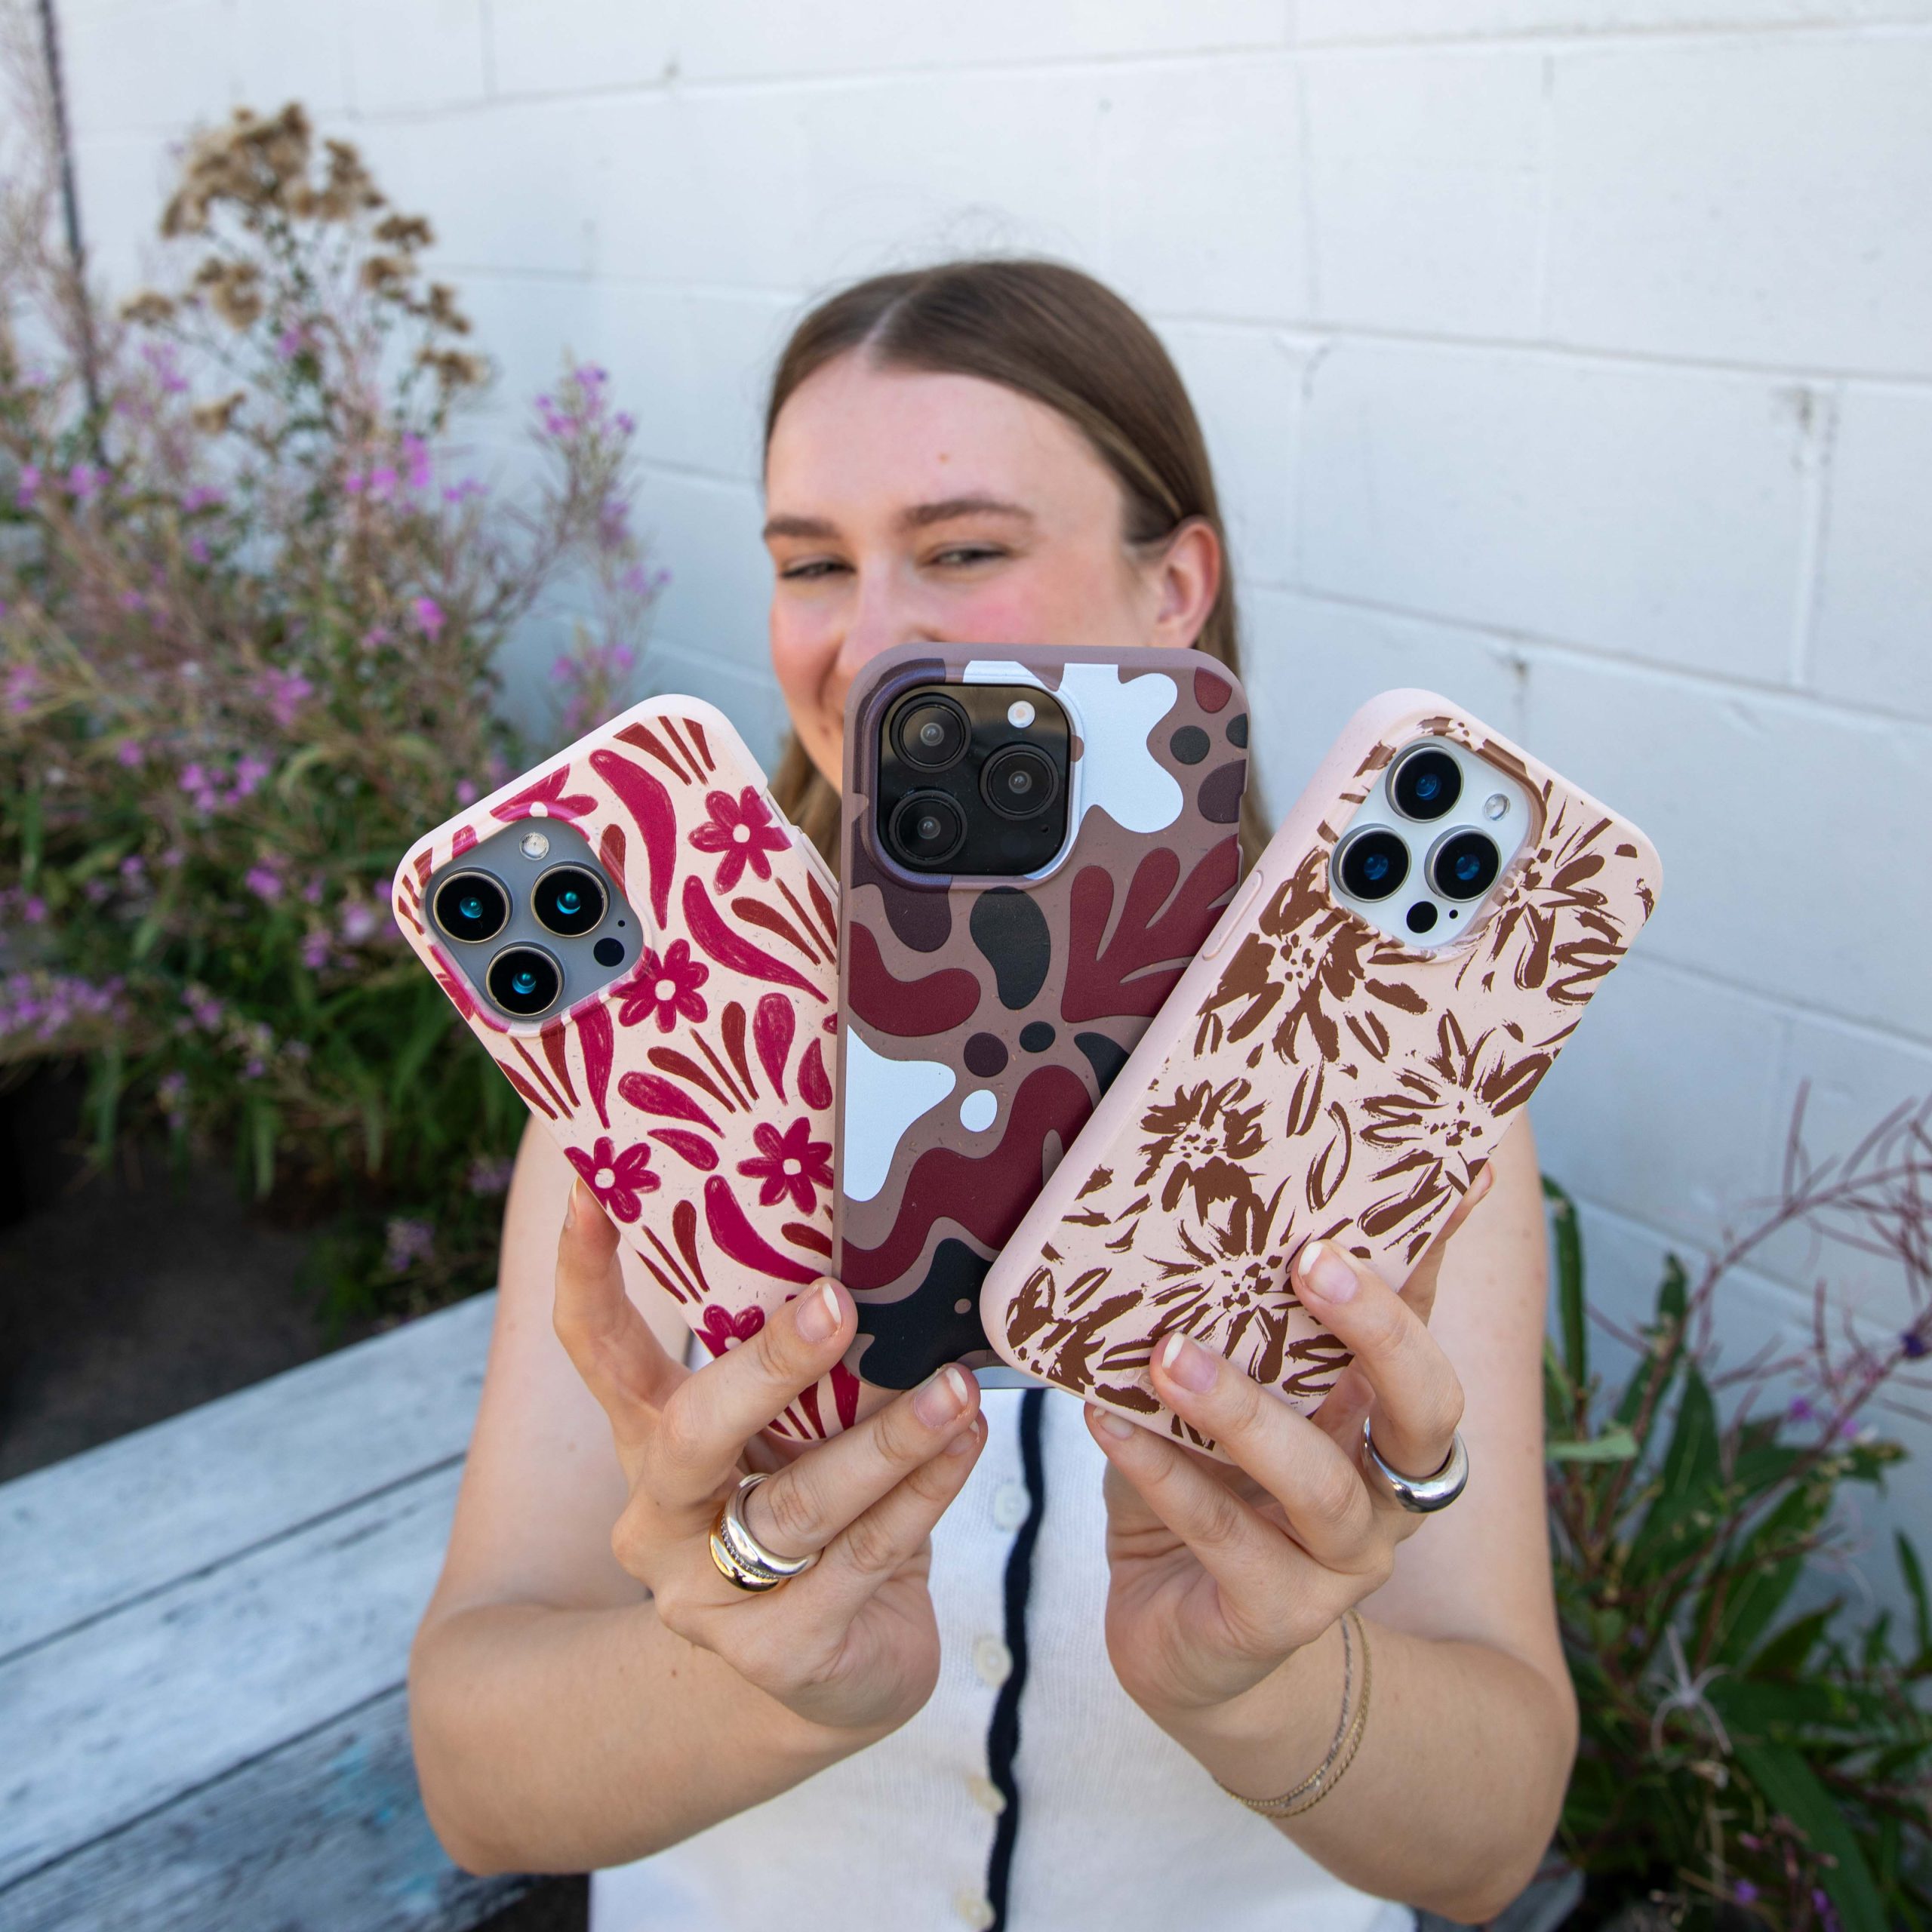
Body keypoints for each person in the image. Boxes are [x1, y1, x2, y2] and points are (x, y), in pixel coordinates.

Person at [408, 259, 1577, 1932]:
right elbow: (473, 1776)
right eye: (812, 563)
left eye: (961, 550)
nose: (872, 638)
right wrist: (757, 1676)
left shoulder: (1391, 1093)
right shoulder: (654, 1082)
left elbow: (1488, 1838)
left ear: (1175, 588)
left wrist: (1264, 1685)